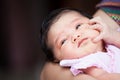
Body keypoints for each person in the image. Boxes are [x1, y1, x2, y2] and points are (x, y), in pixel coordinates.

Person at [40, 7, 120, 80]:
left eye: (78, 26)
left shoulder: (110, 34)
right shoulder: (87, 63)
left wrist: (112, 35)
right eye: (63, 41)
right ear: (58, 59)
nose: (75, 36)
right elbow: (104, 77)